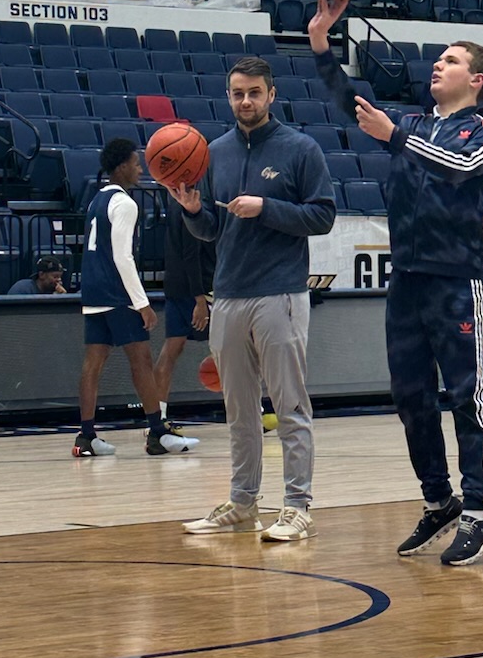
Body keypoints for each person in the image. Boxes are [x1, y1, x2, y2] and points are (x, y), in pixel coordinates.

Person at [312, 0, 483, 567]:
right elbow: (354, 106)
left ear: (475, 79)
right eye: (438, 59)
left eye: (450, 60)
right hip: (407, 280)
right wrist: (322, 44)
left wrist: (395, 136)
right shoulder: (415, 125)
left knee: (467, 393)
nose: (437, 65)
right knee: (411, 398)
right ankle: (439, 500)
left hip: (457, 279)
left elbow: (459, 167)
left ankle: (479, 510)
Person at [167, 57, 335, 541]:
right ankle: (243, 503)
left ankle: (298, 507)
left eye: (254, 92)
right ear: (228, 96)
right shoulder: (213, 152)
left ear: (271, 95)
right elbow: (212, 230)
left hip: (280, 293)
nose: (246, 101)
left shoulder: (300, 149)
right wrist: (194, 212)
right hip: (229, 294)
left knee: (290, 407)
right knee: (239, 411)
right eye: (238, 93)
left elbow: (323, 217)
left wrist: (266, 207)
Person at [74, 138, 192, 459]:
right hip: (117, 293)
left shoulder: (96, 199)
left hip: (93, 291)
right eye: (136, 163)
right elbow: (123, 257)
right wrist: (142, 303)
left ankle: (86, 436)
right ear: (122, 166)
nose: (140, 169)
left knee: (92, 364)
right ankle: (157, 432)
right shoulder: (125, 204)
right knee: (141, 361)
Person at [154, 190, 213, 440]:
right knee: (233, 350)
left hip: (175, 284)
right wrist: (199, 299)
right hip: (198, 289)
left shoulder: (173, 202)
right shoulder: (192, 205)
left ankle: (157, 419)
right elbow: (191, 253)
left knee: (170, 352)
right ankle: (252, 411)